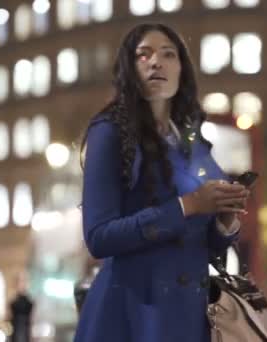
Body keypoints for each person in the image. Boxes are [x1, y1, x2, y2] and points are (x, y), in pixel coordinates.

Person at [73, 23, 250, 342]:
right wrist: (188, 205)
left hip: (188, 317)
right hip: (129, 315)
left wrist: (225, 218)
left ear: (182, 69)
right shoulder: (110, 130)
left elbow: (207, 245)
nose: (156, 62)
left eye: (169, 54)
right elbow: (99, 237)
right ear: (129, 67)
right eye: (144, 55)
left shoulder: (191, 140)